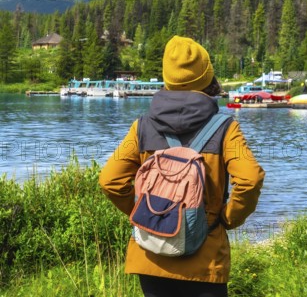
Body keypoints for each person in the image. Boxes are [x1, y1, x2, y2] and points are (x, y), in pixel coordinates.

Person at [99, 35, 265, 297]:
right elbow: (250, 180)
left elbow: (110, 181)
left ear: (167, 77)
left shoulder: (141, 127)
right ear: (206, 76)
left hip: (151, 257)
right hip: (205, 258)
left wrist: (146, 213)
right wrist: (227, 219)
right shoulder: (226, 128)